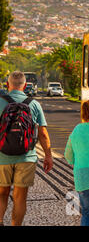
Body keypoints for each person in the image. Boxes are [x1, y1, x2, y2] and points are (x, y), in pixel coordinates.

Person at [0, 71, 53, 226]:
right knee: (20, 197)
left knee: (2, 193)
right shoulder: (34, 104)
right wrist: (48, 156)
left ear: (8, 85)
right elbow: (43, 133)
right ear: (24, 86)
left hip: (2, 157)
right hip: (26, 157)